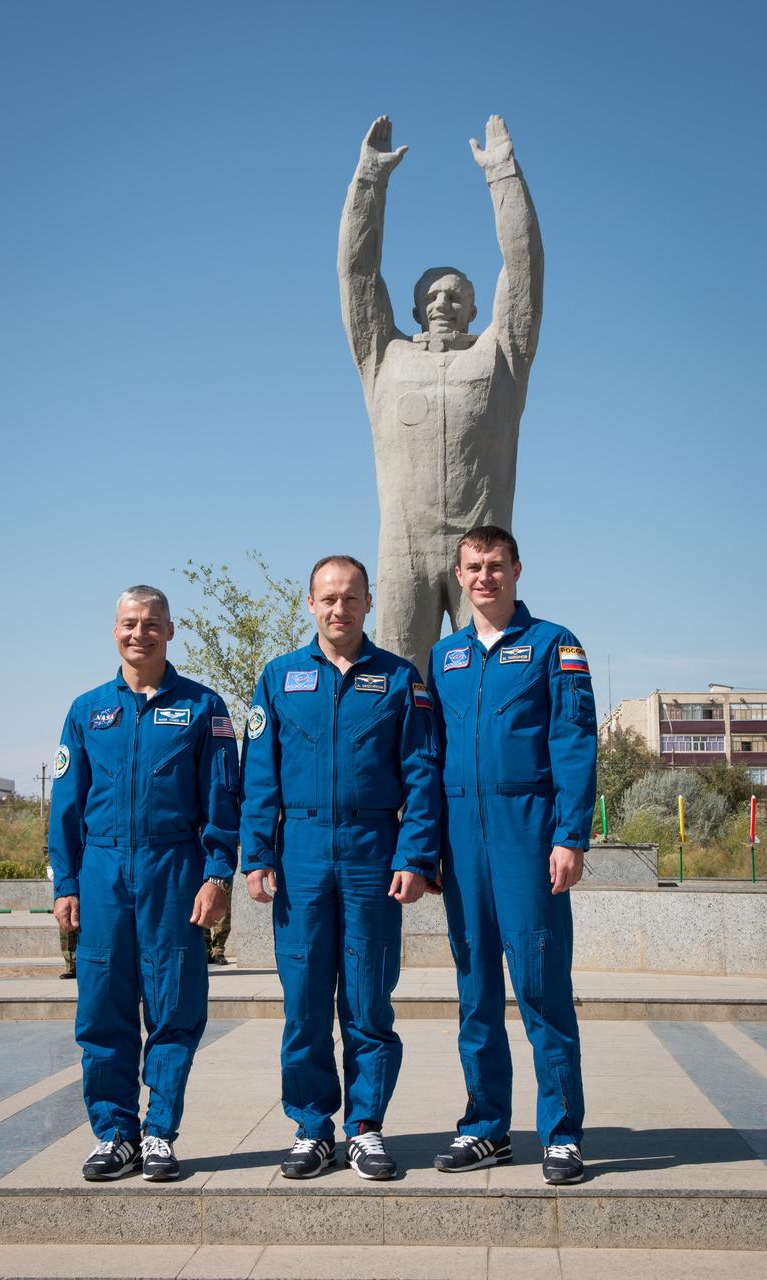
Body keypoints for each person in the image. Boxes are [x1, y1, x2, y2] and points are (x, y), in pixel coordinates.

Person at [240, 556, 441, 1180]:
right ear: (309, 604)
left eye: (350, 597)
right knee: (303, 1002)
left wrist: (415, 854)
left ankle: (366, 1128)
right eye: (327, 598)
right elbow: (259, 776)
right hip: (299, 852)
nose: (338, 608)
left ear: (368, 602)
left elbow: (422, 773)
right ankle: (310, 1127)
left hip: (371, 852)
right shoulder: (278, 678)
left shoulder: (401, 680)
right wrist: (256, 854)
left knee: (367, 999)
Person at [338, 113, 543, 678]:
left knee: (491, 679)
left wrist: (502, 174)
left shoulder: (500, 357)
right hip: (404, 549)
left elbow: (523, 270)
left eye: (456, 294)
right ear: (412, 308)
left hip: (481, 552)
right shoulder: (384, 358)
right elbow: (357, 275)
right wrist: (368, 182)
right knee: (396, 687)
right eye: (430, 294)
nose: (442, 302)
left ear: (476, 308)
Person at [48, 585, 239, 1182]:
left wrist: (217, 874)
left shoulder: (205, 707)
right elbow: (64, 805)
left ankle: (159, 1134)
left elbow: (222, 800)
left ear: (170, 631)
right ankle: (114, 1134)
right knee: (103, 1010)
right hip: (103, 874)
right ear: (114, 631)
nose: (140, 633)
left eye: (151, 623)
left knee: (175, 1009)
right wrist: (67, 883)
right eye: (130, 623)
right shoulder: (86, 711)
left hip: (174, 871)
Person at [427, 527, 596, 1185]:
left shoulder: (554, 645)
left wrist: (569, 835)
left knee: (539, 986)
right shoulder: (444, 657)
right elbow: (429, 756)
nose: (484, 577)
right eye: (473, 567)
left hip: (527, 833)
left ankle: (558, 1135)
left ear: (516, 569)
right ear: (459, 574)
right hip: (461, 841)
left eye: (496, 566)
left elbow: (574, 741)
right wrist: (428, 846)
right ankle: (485, 1128)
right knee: (474, 994)